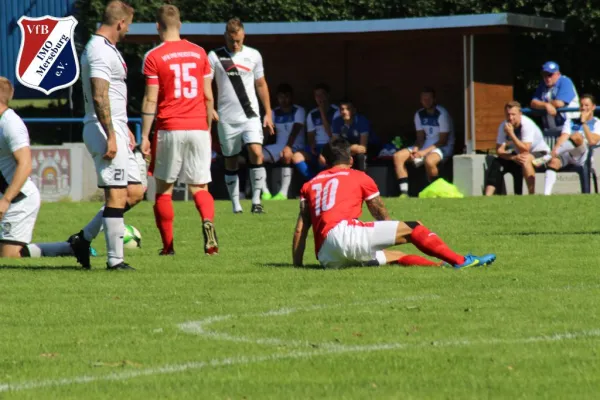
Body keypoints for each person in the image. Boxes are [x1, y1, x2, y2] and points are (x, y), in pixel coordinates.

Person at [292, 137, 496, 269]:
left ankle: (439, 267)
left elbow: (301, 229)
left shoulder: (309, 184)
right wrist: (389, 231)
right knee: (413, 227)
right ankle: (461, 261)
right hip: (345, 234)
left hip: (327, 256)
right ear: (351, 160)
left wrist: (298, 266)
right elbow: (378, 211)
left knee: (394, 256)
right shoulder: (359, 176)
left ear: (325, 161)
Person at [69, 1, 143, 270]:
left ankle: (83, 238)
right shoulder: (99, 50)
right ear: (120, 23)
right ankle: (115, 261)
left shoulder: (107, 49)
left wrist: (122, 131)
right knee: (116, 194)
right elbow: (99, 96)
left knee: (134, 192)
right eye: (128, 26)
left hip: (116, 129)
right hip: (102, 129)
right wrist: (111, 134)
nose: (127, 31)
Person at [140, 4, 218, 256]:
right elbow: (208, 97)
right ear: (180, 24)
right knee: (200, 187)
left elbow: (151, 100)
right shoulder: (199, 53)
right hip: (198, 126)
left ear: (157, 26)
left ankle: (168, 246)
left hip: (170, 127)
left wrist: (144, 136)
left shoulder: (154, 56)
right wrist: (206, 129)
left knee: (164, 189)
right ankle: (208, 225)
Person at [0, 77, 81, 259]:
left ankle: (72, 248)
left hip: (18, 200)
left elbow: (26, 164)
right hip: (5, 197)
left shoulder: (10, 124)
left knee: (8, 258)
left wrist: (6, 200)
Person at [208, 17, 274, 214]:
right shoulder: (215, 56)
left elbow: (261, 84)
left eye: (238, 40)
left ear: (243, 35)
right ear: (225, 37)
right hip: (226, 118)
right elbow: (206, 83)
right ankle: (236, 204)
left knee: (256, 152)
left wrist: (268, 112)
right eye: (231, 41)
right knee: (231, 160)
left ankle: (256, 201)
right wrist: (210, 107)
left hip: (250, 115)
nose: (235, 44)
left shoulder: (254, 55)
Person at [393, 88, 455, 197]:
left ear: (434, 99)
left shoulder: (442, 113)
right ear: (420, 100)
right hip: (426, 145)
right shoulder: (419, 114)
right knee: (398, 156)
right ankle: (404, 193)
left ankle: (435, 190)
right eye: (424, 99)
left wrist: (423, 153)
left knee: (429, 161)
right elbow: (420, 138)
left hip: (443, 147)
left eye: (429, 98)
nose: (426, 101)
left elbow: (442, 141)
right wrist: (416, 149)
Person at [484, 101, 550, 196]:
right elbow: (499, 150)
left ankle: (532, 195)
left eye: (513, 114)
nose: (510, 118)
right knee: (497, 162)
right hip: (519, 154)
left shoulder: (527, 124)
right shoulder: (503, 125)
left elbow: (525, 149)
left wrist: (511, 134)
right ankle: (487, 196)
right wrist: (512, 158)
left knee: (525, 159)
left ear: (520, 114)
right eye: (508, 114)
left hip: (542, 154)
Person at [540, 94, 600, 195]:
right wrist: (555, 150)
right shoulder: (570, 121)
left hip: (585, 156)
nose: (583, 108)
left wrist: (584, 123)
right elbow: (563, 137)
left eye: (586, 105)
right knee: (554, 162)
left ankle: (548, 156)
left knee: (577, 136)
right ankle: (546, 196)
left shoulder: (597, 123)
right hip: (568, 153)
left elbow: (592, 141)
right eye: (581, 105)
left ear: (593, 107)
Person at [261, 83, 305, 200]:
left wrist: (288, 147)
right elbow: (267, 132)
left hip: (295, 145)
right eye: (281, 96)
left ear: (291, 97)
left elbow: (295, 131)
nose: (284, 100)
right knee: (257, 155)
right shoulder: (274, 112)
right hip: (279, 145)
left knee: (286, 153)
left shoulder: (299, 110)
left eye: (286, 96)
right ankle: (265, 192)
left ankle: (283, 193)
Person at [292, 83, 339, 181]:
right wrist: (312, 144)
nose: (319, 98)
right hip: (317, 146)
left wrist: (322, 112)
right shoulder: (312, 114)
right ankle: (314, 181)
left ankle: (322, 182)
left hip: (331, 145)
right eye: (317, 95)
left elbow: (331, 134)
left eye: (322, 94)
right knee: (296, 156)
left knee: (322, 159)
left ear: (327, 95)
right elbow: (310, 134)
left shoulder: (336, 111)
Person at [530, 61, 579, 133]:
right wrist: (546, 105)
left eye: (550, 75)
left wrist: (542, 105)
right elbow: (533, 103)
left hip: (569, 129)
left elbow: (560, 103)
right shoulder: (543, 85)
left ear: (558, 74)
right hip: (550, 129)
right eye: (544, 75)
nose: (547, 78)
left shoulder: (565, 81)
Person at [331, 100, 372, 171]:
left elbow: (363, 148)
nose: (344, 112)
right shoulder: (337, 121)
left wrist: (345, 149)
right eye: (342, 109)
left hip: (370, 146)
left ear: (354, 111)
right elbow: (334, 145)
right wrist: (350, 148)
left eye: (348, 109)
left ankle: (362, 178)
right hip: (348, 148)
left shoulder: (362, 120)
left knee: (361, 156)